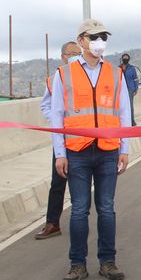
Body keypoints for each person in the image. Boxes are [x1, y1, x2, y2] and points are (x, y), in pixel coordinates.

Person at [50, 19, 131, 280]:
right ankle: (77, 264)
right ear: (81, 40)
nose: (100, 42)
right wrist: (60, 153)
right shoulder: (64, 74)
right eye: (94, 37)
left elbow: (123, 113)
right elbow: (56, 115)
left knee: (106, 209)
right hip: (78, 151)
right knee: (79, 210)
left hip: (108, 150)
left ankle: (108, 262)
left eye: (103, 37)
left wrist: (124, 149)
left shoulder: (115, 73)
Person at [36, 41, 82, 240]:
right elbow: (46, 106)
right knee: (58, 180)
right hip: (63, 137)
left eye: (78, 53)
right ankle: (52, 223)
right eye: (71, 54)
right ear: (63, 57)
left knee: (82, 183)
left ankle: (81, 222)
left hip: (84, 138)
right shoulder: (56, 78)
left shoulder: (88, 77)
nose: (75, 57)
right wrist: (58, 121)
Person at [120, 53, 140, 127]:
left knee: (130, 106)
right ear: (122, 59)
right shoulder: (119, 68)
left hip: (130, 89)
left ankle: (132, 121)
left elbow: (135, 79)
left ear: (128, 59)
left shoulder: (132, 68)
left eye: (126, 58)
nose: (125, 59)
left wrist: (136, 88)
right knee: (121, 106)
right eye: (124, 58)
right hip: (121, 89)